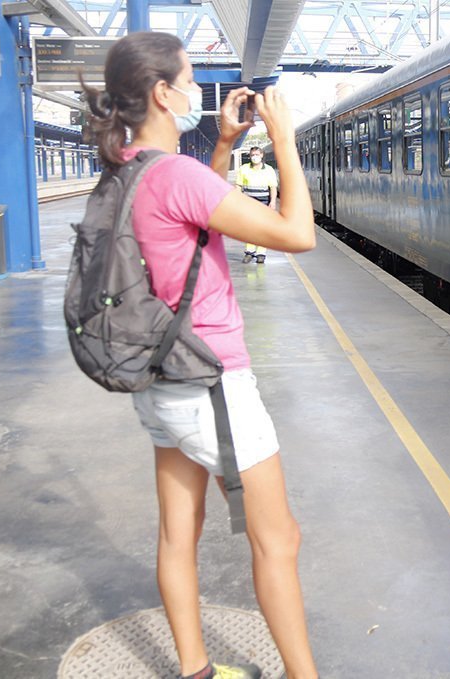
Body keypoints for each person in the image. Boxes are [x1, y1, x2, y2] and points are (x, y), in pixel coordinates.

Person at [82, 32, 318, 679]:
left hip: (157, 381)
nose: (195, 90)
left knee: (176, 533)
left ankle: (195, 669)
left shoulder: (127, 170)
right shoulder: (173, 175)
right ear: (162, 93)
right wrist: (285, 138)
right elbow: (298, 233)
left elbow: (193, 225)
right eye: (188, 79)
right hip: (212, 385)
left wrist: (221, 145)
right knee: (280, 539)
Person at [236, 146, 279, 263]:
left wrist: (273, 202)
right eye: (252, 155)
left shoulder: (269, 170)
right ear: (249, 156)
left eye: (257, 154)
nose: (255, 157)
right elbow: (238, 186)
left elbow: (273, 188)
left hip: (263, 201)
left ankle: (261, 253)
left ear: (262, 155)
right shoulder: (244, 169)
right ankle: (249, 252)